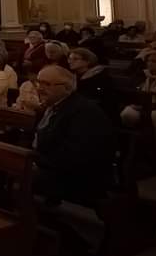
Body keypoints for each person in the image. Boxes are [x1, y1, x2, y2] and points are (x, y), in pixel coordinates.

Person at [33, 66, 116, 206]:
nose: (39, 88)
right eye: (38, 82)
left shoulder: (83, 112)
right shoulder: (54, 106)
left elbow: (75, 155)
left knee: (18, 171)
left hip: (79, 177)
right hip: (53, 167)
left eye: (46, 84)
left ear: (66, 88)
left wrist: (35, 161)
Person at [68, 47, 116, 121]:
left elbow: (101, 99)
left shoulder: (100, 77)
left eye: (75, 59)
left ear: (87, 61)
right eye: (69, 58)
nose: (70, 61)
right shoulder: (72, 75)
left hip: (97, 112)